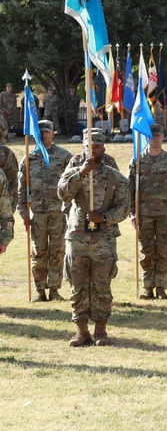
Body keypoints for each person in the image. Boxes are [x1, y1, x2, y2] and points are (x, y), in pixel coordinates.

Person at [57, 131, 130, 346]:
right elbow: (62, 194)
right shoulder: (72, 172)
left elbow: (124, 207)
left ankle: (100, 331)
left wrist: (104, 217)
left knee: (101, 285)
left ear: (103, 149)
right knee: (77, 285)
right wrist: (81, 173)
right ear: (83, 146)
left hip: (103, 239)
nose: (93, 149)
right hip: (77, 238)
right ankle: (81, 331)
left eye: (97, 145)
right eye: (89, 145)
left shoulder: (115, 177)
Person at [18, 120, 73, 302]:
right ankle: (40, 290)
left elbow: (73, 184)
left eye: (47, 131)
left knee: (57, 251)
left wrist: (71, 209)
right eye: (40, 131)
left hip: (58, 212)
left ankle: (55, 289)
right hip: (38, 214)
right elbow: (22, 189)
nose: (44, 134)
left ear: (53, 133)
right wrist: (24, 213)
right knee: (38, 252)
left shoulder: (64, 156)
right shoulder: (29, 158)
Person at [128, 123, 167, 300]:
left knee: (164, 251)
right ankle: (148, 287)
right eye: (152, 135)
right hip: (144, 213)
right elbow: (130, 189)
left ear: (163, 137)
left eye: (158, 135)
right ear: (146, 137)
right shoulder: (137, 160)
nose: (155, 138)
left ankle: (161, 287)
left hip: (166, 213)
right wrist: (132, 213)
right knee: (147, 251)